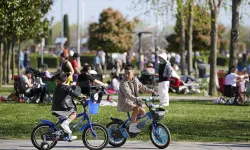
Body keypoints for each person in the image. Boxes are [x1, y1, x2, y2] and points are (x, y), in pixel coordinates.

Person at [117, 64, 157, 133]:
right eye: (125, 73)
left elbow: (143, 88)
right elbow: (128, 94)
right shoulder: (123, 83)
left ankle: (133, 125)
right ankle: (132, 128)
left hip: (133, 101)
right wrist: (137, 99)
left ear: (133, 72)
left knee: (143, 112)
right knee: (136, 108)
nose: (126, 75)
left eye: (128, 73)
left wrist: (152, 91)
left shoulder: (135, 80)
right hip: (125, 103)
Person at [52, 72, 81, 140]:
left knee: (65, 120)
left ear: (57, 81)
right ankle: (65, 125)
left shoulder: (58, 87)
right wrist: (80, 98)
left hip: (55, 107)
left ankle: (68, 135)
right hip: (61, 108)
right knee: (74, 113)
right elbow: (73, 93)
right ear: (66, 79)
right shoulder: (65, 87)